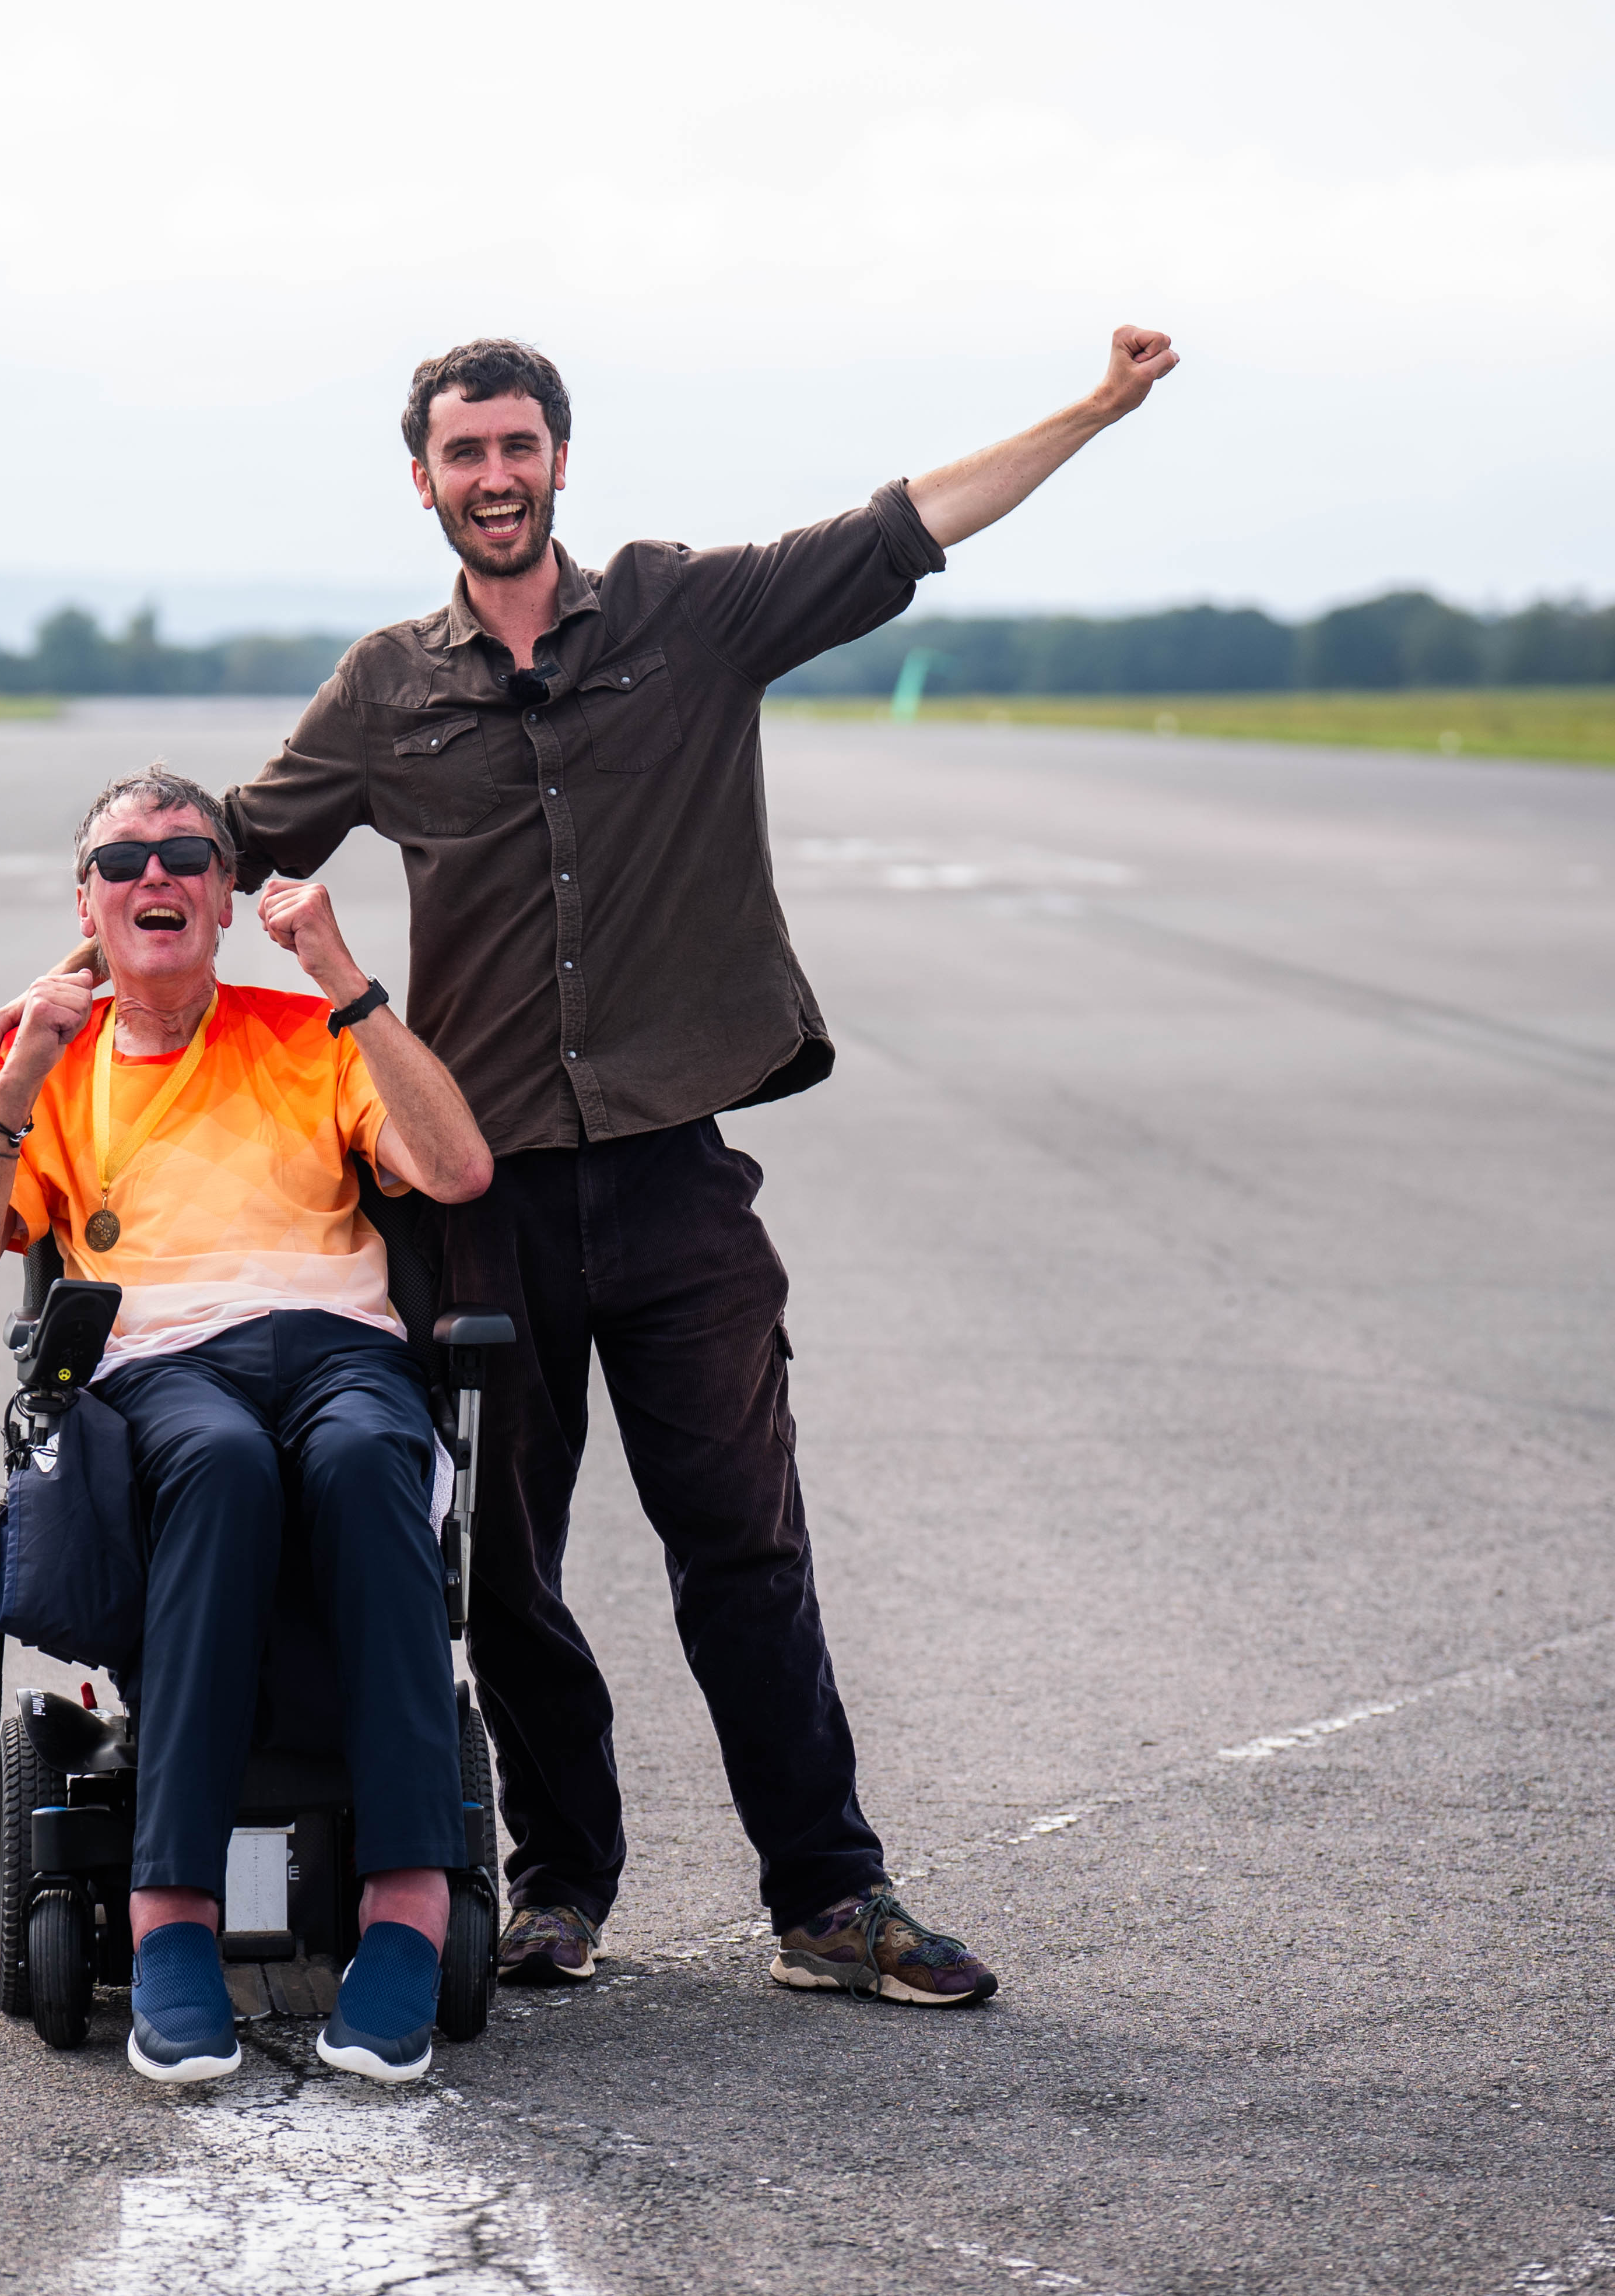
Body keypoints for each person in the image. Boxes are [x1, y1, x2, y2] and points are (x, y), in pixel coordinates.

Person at [211, 327, 1179, 2006]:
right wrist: (81, 961)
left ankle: (828, 1894)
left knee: (743, 1541)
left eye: (519, 447)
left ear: (560, 461)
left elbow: (906, 525)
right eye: (464, 454)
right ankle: (557, 1884)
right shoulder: (385, 689)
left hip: (675, 1185)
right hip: (480, 1202)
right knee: (502, 1567)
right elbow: (218, 846)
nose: (493, 477)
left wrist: (1093, 410)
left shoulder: (685, 615)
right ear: (424, 478)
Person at [0, 768, 496, 2088]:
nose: (157, 877)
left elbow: (457, 1169)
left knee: (362, 1457)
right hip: (159, 1365)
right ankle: (169, 1917)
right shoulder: (45, 1069)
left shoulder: (311, 1030)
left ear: (227, 897)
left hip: (342, 1345)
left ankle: (406, 1906)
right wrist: (15, 1085)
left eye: (189, 855)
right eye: (123, 862)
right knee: (225, 1467)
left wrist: (346, 974)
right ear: (86, 903)